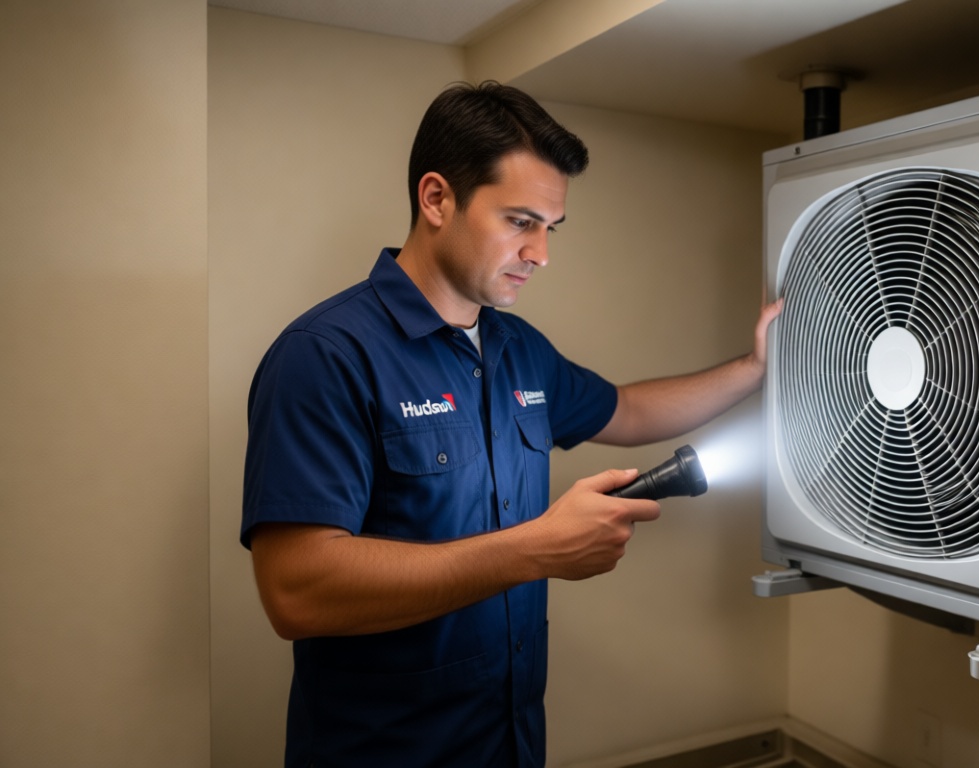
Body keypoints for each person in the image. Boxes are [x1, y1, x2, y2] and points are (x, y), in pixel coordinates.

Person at [241, 81, 781, 767]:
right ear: (436, 199)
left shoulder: (518, 348)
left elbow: (630, 408)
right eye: (520, 221)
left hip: (510, 745)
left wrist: (754, 369)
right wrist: (536, 549)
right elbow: (296, 591)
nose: (541, 254)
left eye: (550, 229)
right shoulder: (325, 356)